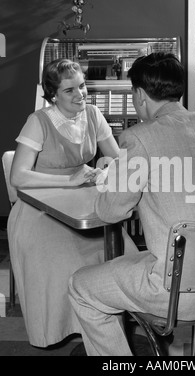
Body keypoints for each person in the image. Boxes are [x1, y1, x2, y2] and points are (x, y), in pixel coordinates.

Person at [68, 52, 195, 356]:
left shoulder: (140, 137)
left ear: (140, 95)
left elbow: (110, 210)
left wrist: (117, 184)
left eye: (133, 95)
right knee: (134, 261)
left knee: (81, 286)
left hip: (177, 289)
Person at [7, 58, 120, 347]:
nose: (80, 94)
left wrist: (106, 168)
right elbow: (18, 177)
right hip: (38, 208)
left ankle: (100, 330)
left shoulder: (93, 114)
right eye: (70, 90)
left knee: (119, 252)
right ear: (53, 95)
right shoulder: (38, 121)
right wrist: (69, 181)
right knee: (64, 260)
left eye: (82, 86)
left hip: (82, 203)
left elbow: (118, 159)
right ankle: (66, 329)